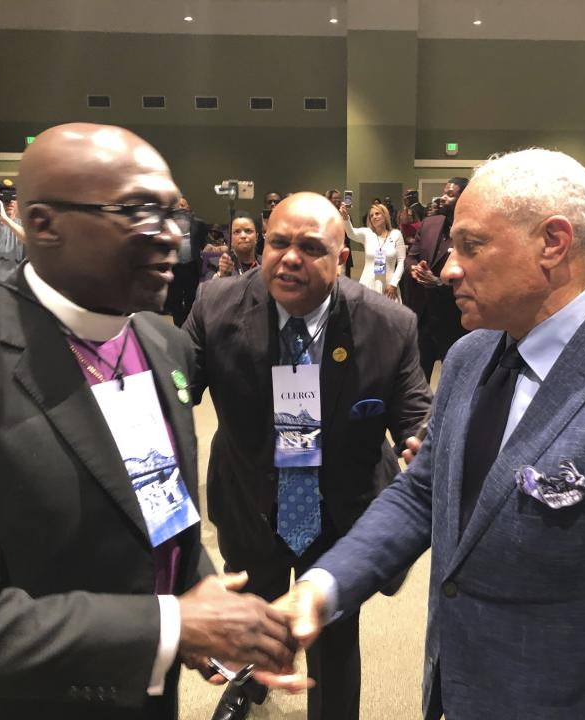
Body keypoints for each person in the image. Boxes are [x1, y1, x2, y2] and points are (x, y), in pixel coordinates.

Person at [284, 148, 585, 720]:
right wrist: (324, 586)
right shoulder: (471, 354)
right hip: (455, 688)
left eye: (471, 246)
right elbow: (424, 491)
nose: (449, 267)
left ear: (553, 243)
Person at [0, 123, 302, 720]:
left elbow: (158, 503)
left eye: (172, 213)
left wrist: (203, 597)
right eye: (137, 212)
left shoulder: (162, 345)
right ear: (43, 224)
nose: (170, 239)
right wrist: (168, 626)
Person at [184, 192, 430, 720]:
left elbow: (416, 417)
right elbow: (174, 391)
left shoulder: (389, 324)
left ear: (342, 259)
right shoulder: (216, 306)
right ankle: (246, 690)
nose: (289, 257)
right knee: (251, 622)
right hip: (251, 502)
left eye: (311, 247)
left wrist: (424, 439)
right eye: (278, 242)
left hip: (340, 512)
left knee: (335, 644)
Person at [404, 177, 469, 381]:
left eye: (450, 194)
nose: (443, 197)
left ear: (463, 198)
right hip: (423, 315)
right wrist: (415, 270)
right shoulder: (430, 224)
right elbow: (411, 256)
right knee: (417, 378)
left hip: (454, 318)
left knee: (455, 380)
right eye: (444, 192)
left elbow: (475, 274)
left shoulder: (470, 230)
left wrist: (439, 283)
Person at [340, 201, 405, 301]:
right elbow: (350, 233)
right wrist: (345, 218)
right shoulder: (367, 233)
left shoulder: (396, 234)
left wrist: (394, 284)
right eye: (371, 215)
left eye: (377, 213)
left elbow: (401, 261)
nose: (374, 217)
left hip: (389, 286)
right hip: (368, 284)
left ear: (385, 215)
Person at [163, 196, 204, 327]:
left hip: (191, 267)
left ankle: (189, 325)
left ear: (189, 208)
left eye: (183, 205)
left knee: (191, 298)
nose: (181, 208)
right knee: (175, 299)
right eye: (178, 205)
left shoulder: (198, 223)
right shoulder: (167, 224)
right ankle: (178, 325)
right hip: (175, 267)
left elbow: (202, 242)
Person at [214, 212, 260, 278]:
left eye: (248, 231)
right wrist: (222, 276)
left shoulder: (267, 264)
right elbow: (208, 286)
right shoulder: (215, 264)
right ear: (230, 239)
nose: (243, 236)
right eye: (237, 232)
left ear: (256, 237)